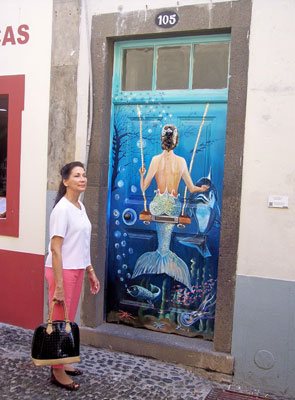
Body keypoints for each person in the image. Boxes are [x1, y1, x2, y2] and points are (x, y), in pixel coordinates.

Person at [45, 161, 100, 391]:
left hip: (76, 269)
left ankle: (63, 362)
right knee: (59, 320)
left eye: (84, 175)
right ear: (66, 181)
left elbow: (82, 244)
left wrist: (90, 271)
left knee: (67, 318)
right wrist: (58, 285)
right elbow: (56, 249)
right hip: (62, 271)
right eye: (77, 175)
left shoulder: (80, 206)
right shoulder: (62, 209)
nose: (82, 179)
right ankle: (56, 371)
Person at [132, 125, 209, 288]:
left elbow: (143, 188)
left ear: (162, 140)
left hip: (158, 205)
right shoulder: (181, 161)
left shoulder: (155, 160)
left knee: (160, 222)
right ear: (176, 142)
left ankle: (161, 255)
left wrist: (141, 175)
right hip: (173, 206)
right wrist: (201, 189)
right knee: (169, 221)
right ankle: (165, 257)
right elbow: (192, 188)